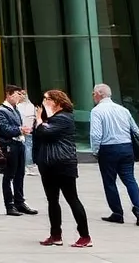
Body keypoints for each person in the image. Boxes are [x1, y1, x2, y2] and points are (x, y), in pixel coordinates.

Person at [32, 90, 90, 248]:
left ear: (58, 102)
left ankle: (85, 236)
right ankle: (55, 234)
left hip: (63, 163)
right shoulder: (49, 118)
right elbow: (38, 135)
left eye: (47, 99)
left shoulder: (64, 117)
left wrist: (39, 119)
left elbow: (45, 132)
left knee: (72, 198)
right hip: (47, 164)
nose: (44, 102)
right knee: (52, 200)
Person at [89, 83, 139, 226]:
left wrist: (96, 151)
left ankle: (117, 213)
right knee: (130, 179)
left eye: (93, 94)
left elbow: (96, 134)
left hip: (108, 149)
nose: (93, 96)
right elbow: (135, 129)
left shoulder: (97, 111)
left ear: (98, 94)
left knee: (110, 182)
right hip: (126, 147)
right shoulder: (123, 110)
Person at [0, 84, 38, 216]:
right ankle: (10, 204)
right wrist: (20, 130)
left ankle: (19, 201)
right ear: (9, 94)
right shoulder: (1, 111)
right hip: (9, 145)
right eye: (17, 94)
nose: (20, 97)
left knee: (20, 174)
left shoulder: (15, 109)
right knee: (9, 175)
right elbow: (3, 129)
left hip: (18, 143)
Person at [18, 90, 38, 176]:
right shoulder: (31, 106)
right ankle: (28, 165)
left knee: (26, 148)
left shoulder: (18, 106)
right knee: (28, 147)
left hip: (22, 130)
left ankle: (27, 165)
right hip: (28, 129)